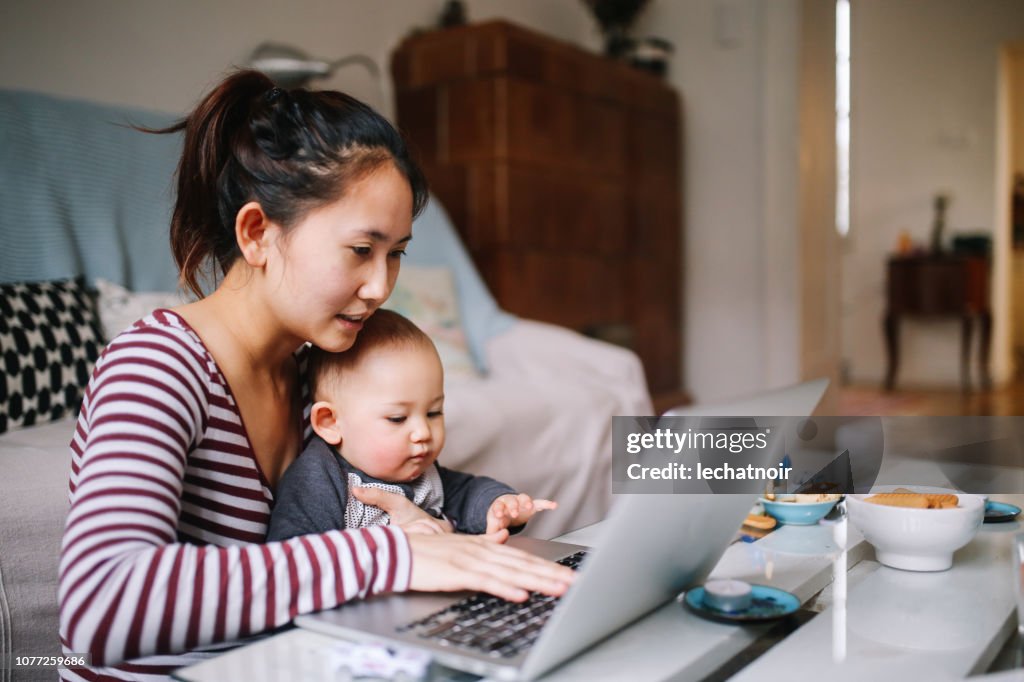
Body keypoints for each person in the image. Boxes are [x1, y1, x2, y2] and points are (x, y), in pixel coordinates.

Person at [57, 70, 574, 682]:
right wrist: (387, 555)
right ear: (256, 233)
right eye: (361, 250)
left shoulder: (319, 378)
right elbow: (102, 602)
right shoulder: (156, 367)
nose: (381, 287)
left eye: (397, 254)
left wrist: (425, 528)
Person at [267, 309, 557, 541]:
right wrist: (390, 543)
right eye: (397, 418)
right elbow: (296, 557)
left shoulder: (421, 471)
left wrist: (499, 505)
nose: (422, 433)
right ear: (330, 423)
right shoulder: (320, 479)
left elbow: (466, 492)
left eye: (433, 413)